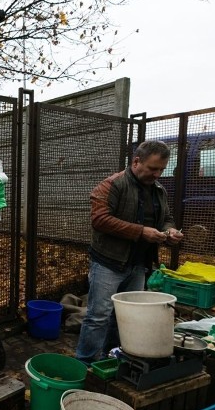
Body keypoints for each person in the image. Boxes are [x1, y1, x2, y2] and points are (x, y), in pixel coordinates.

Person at [75, 140, 184, 363]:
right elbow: (100, 220)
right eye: (153, 168)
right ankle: (85, 363)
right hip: (109, 263)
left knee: (124, 316)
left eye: (161, 170)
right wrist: (141, 231)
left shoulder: (158, 190)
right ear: (136, 162)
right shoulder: (112, 185)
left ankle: (111, 358)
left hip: (138, 264)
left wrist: (169, 231)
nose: (157, 174)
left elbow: (166, 218)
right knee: (98, 316)